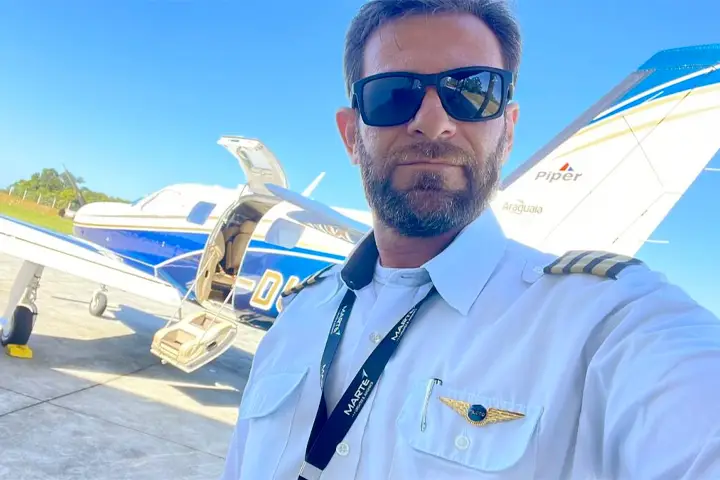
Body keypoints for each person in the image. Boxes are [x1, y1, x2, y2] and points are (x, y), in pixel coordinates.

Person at [221, 1, 720, 478]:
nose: (433, 123)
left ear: (508, 132)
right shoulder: (297, 318)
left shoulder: (607, 324)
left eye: (473, 92)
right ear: (351, 135)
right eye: (393, 95)